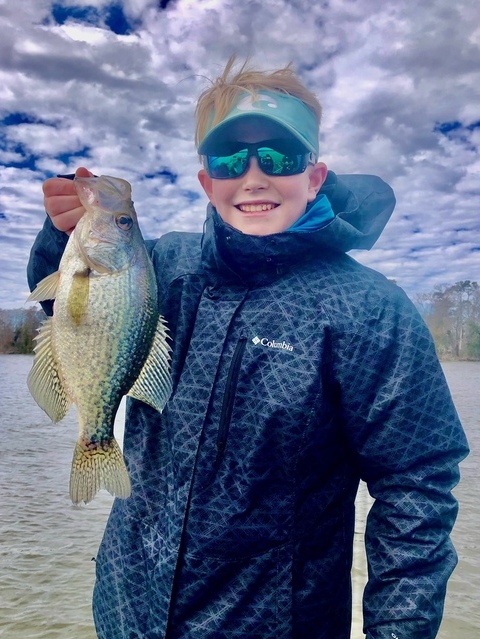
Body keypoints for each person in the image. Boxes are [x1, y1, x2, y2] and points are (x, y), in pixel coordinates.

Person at [28, 58, 469, 639]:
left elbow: (416, 486)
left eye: (280, 157)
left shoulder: (369, 310)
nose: (253, 176)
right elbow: (71, 312)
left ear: (314, 176)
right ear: (207, 181)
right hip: (126, 610)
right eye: (231, 157)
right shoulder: (162, 266)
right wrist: (60, 235)